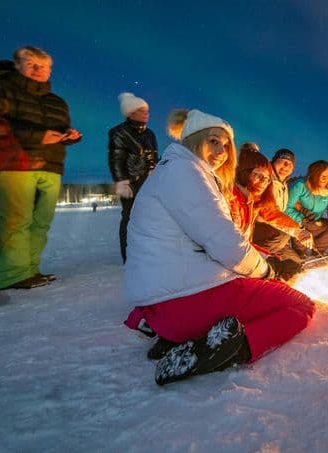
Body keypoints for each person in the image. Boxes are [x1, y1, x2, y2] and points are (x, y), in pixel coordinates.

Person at [123, 109, 315, 385]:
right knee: (300, 304)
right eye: (213, 141)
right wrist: (267, 271)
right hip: (184, 302)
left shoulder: (175, 170)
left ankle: (183, 338)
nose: (221, 151)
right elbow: (226, 244)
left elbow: (219, 240)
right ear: (194, 138)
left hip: (161, 304)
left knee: (261, 282)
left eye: (225, 145)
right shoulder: (185, 173)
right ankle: (230, 349)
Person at [0, 46, 82, 290]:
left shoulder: (56, 102)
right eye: (32, 65)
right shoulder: (1, 89)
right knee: (17, 220)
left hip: (50, 166)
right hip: (13, 164)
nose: (39, 70)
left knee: (41, 222)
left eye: (44, 66)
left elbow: (58, 130)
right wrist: (37, 136)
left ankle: (29, 270)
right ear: (18, 66)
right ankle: (12, 275)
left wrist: (69, 136)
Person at [233, 148, 311, 279]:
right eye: (258, 175)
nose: (264, 181)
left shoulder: (259, 197)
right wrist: (268, 266)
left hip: (249, 248)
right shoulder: (233, 199)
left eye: (267, 179)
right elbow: (232, 246)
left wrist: (298, 231)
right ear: (245, 172)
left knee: (294, 262)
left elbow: (271, 212)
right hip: (228, 269)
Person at [107, 91, 158, 262]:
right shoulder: (119, 132)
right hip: (131, 183)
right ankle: (129, 255)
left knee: (150, 218)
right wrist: (121, 181)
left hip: (150, 183)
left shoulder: (149, 134)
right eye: (142, 111)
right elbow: (116, 159)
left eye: (147, 111)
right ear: (130, 113)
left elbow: (153, 159)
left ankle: (147, 252)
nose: (146, 114)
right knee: (130, 217)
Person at [286, 160, 328, 255]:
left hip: (315, 223)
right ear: (312, 175)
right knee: (298, 253)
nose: (323, 178)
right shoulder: (300, 185)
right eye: (320, 175)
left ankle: (319, 249)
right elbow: (287, 207)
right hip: (299, 222)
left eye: (326, 176)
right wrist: (302, 220)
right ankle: (299, 250)